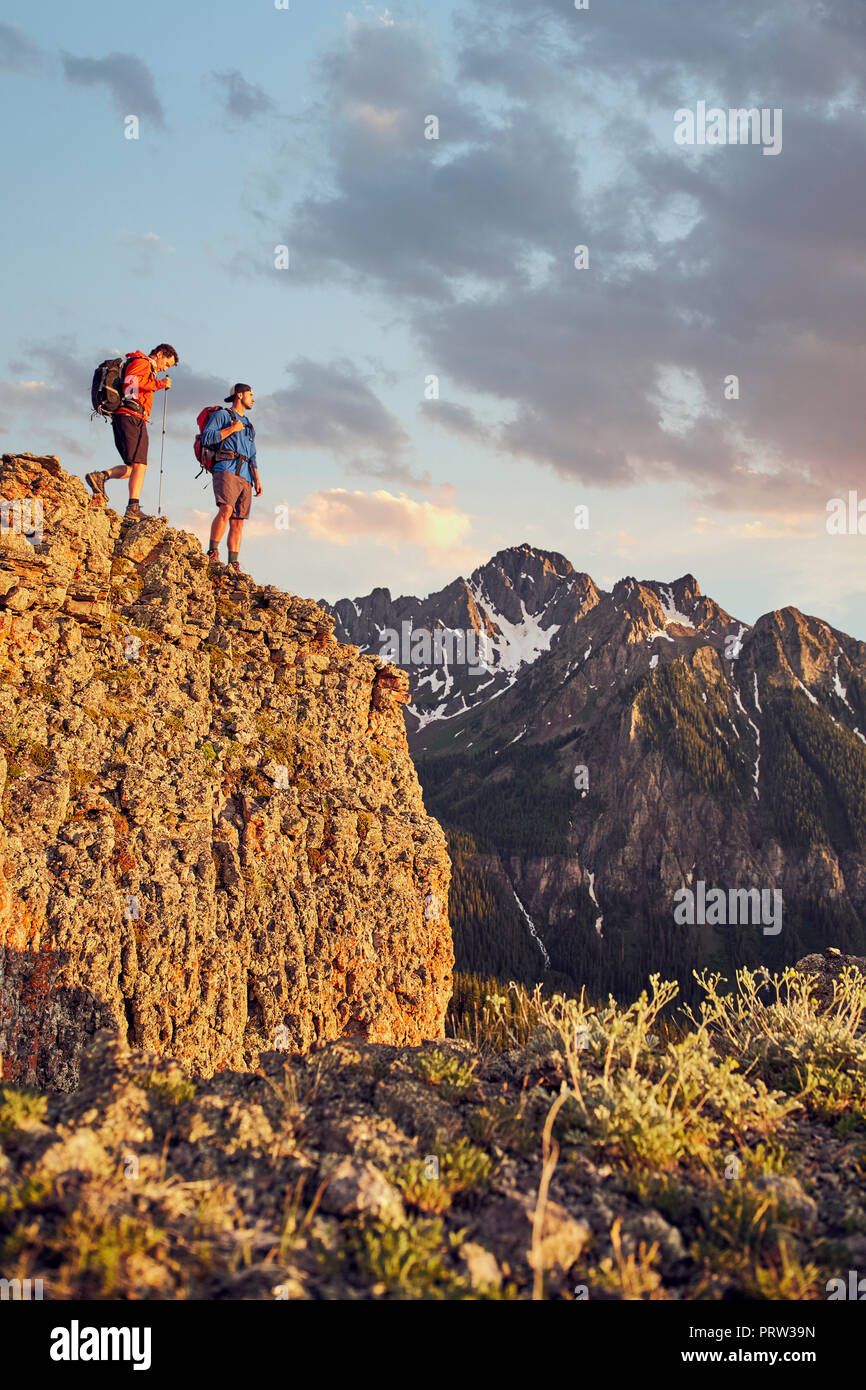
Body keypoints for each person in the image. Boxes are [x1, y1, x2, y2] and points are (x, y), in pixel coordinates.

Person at [86, 344, 178, 519]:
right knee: (140, 465)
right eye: (166, 363)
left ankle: (100, 476)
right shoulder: (143, 363)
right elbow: (130, 383)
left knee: (132, 468)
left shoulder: (140, 363)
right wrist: (159, 384)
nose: (164, 368)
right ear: (159, 354)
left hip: (124, 417)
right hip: (132, 417)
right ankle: (133, 507)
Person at [201, 383, 261, 572]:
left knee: (238, 520)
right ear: (240, 395)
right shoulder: (223, 416)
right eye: (250, 394)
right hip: (226, 467)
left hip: (246, 475)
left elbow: (253, 454)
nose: (253, 398)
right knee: (226, 509)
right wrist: (231, 429)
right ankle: (212, 552)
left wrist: (257, 479)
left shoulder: (250, 425)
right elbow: (207, 437)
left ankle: (233, 562)